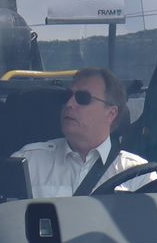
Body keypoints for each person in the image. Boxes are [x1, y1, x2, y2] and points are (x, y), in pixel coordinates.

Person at [11, 67, 148, 197]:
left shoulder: (138, 175)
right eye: (67, 96)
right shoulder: (28, 163)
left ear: (111, 114)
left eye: (83, 98)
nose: (69, 104)